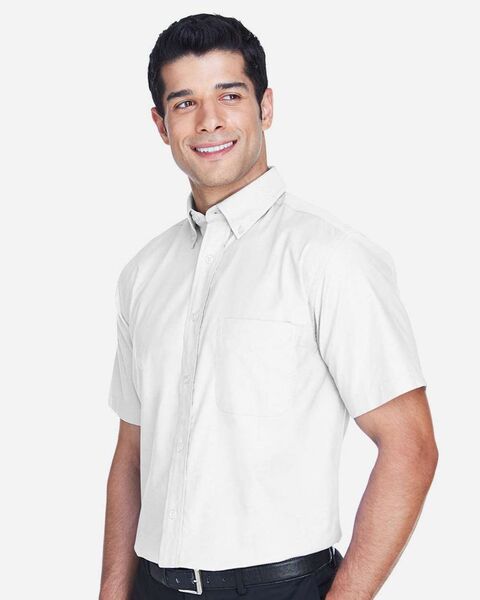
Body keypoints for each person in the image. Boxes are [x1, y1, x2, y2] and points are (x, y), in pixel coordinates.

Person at [99, 13, 438, 600]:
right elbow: (131, 454)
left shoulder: (330, 256)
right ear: (161, 124)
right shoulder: (144, 273)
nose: (209, 120)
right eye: (185, 102)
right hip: (153, 586)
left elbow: (410, 446)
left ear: (266, 106)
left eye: (229, 95)